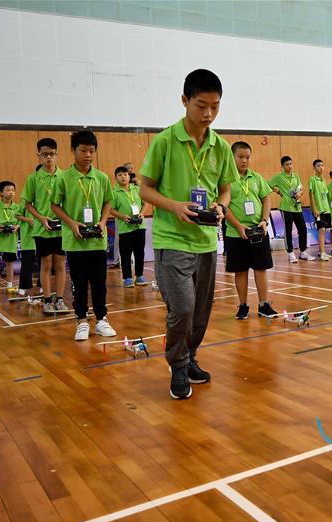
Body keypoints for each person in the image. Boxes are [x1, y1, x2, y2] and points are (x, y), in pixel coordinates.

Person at [139, 68, 239, 400]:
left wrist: (221, 206)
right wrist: (174, 206)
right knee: (181, 307)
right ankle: (178, 366)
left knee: (200, 310)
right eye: (201, 105)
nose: (208, 113)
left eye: (215, 106)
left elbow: (225, 190)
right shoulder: (165, 141)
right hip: (172, 239)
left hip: (207, 241)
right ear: (184, 101)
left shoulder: (221, 146)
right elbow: (145, 190)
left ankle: (190, 356)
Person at [50, 130, 116, 341]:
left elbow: (108, 202)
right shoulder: (64, 178)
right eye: (83, 150)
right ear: (73, 150)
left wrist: (103, 222)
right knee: (79, 284)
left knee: (99, 283)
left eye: (91, 151)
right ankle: (81, 320)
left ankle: (102, 319)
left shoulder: (102, 177)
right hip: (75, 241)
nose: (88, 155)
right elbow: (54, 205)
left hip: (97, 240)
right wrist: (71, 223)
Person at [224, 141, 276, 320]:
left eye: (247, 157)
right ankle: (243, 305)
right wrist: (238, 226)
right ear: (232, 157)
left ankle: (264, 304)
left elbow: (266, 199)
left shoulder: (257, 178)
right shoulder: (226, 180)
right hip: (235, 232)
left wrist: (264, 221)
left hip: (258, 231)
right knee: (241, 270)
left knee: (261, 268)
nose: (244, 161)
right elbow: (224, 206)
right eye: (240, 157)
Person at [23, 137, 68, 315]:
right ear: (38, 156)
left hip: (61, 228)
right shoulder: (33, 178)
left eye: (52, 154)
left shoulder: (64, 176)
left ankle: (60, 300)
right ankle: (47, 300)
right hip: (42, 228)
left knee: (61, 263)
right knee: (46, 263)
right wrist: (41, 218)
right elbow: (27, 204)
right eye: (44, 154)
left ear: (57, 155)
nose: (48, 158)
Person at [110, 166, 149, 287]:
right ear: (116, 178)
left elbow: (146, 203)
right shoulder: (114, 192)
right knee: (125, 253)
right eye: (120, 175)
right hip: (125, 228)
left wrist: (142, 214)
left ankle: (140, 276)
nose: (123, 177)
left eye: (125, 175)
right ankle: (127, 278)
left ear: (129, 176)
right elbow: (111, 209)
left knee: (139, 252)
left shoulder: (137, 189)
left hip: (139, 226)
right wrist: (122, 216)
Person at [269, 156, 311, 263]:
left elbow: (300, 188)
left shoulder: (296, 176)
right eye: (287, 164)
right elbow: (267, 185)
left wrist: (300, 193)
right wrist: (278, 191)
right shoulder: (278, 177)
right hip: (286, 207)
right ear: (282, 166)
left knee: (302, 229)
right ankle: (290, 253)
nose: (289, 166)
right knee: (288, 230)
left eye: (291, 164)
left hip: (297, 207)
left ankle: (303, 252)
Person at [0, 181, 21, 296]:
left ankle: (10, 286)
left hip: (10, 238)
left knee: (10, 262)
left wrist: (17, 227)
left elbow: (20, 221)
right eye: (8, 190)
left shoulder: (17, 207)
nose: (11, 192)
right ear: (1, 193)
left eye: (13, 190)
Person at [309, 159, 332, 261]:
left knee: (324, 230)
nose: (321, 167)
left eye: (322, 165)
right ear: (314, 167)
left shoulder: (323, 180)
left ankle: (321, 251)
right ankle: (322, 252)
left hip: (326, 209)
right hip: (318, 210)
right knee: (321, 229)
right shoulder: (312, 179)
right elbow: (311, 194)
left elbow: (325, 195)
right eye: (318, 166)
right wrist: (314, 209)